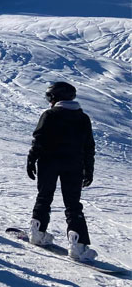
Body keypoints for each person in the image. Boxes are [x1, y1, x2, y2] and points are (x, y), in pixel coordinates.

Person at [26, 82, 97, 261]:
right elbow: (89, 146)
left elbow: (39, 139)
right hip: (73, 166)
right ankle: (78, 246)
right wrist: (89, 168)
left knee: (44, 196)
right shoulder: (83, 118)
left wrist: (31, 159)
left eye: (50, 97)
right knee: (73, 204)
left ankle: (37, 233)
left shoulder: (49, 115)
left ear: (56, 97)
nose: (49, 101)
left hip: (48, 163)